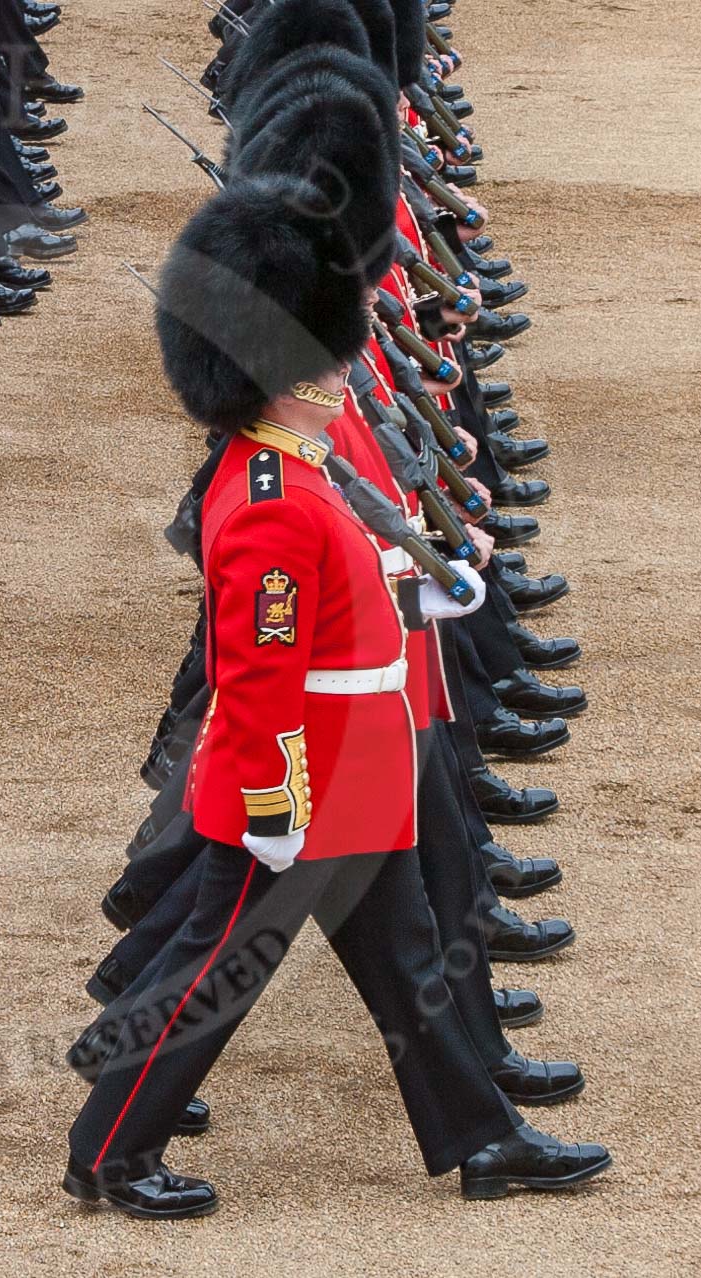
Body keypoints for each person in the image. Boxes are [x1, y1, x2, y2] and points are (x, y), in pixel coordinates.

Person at [62, 175, 611, 1218]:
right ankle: (108, 1153)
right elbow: (261, 677)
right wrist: (275, 805)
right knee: (211, 975)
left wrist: (420, 594)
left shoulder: (290, 467)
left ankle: (483, 1141)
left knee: (415, 963)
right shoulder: (269, 499)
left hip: (357, 766)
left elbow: (336, 597)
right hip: (303, 786)